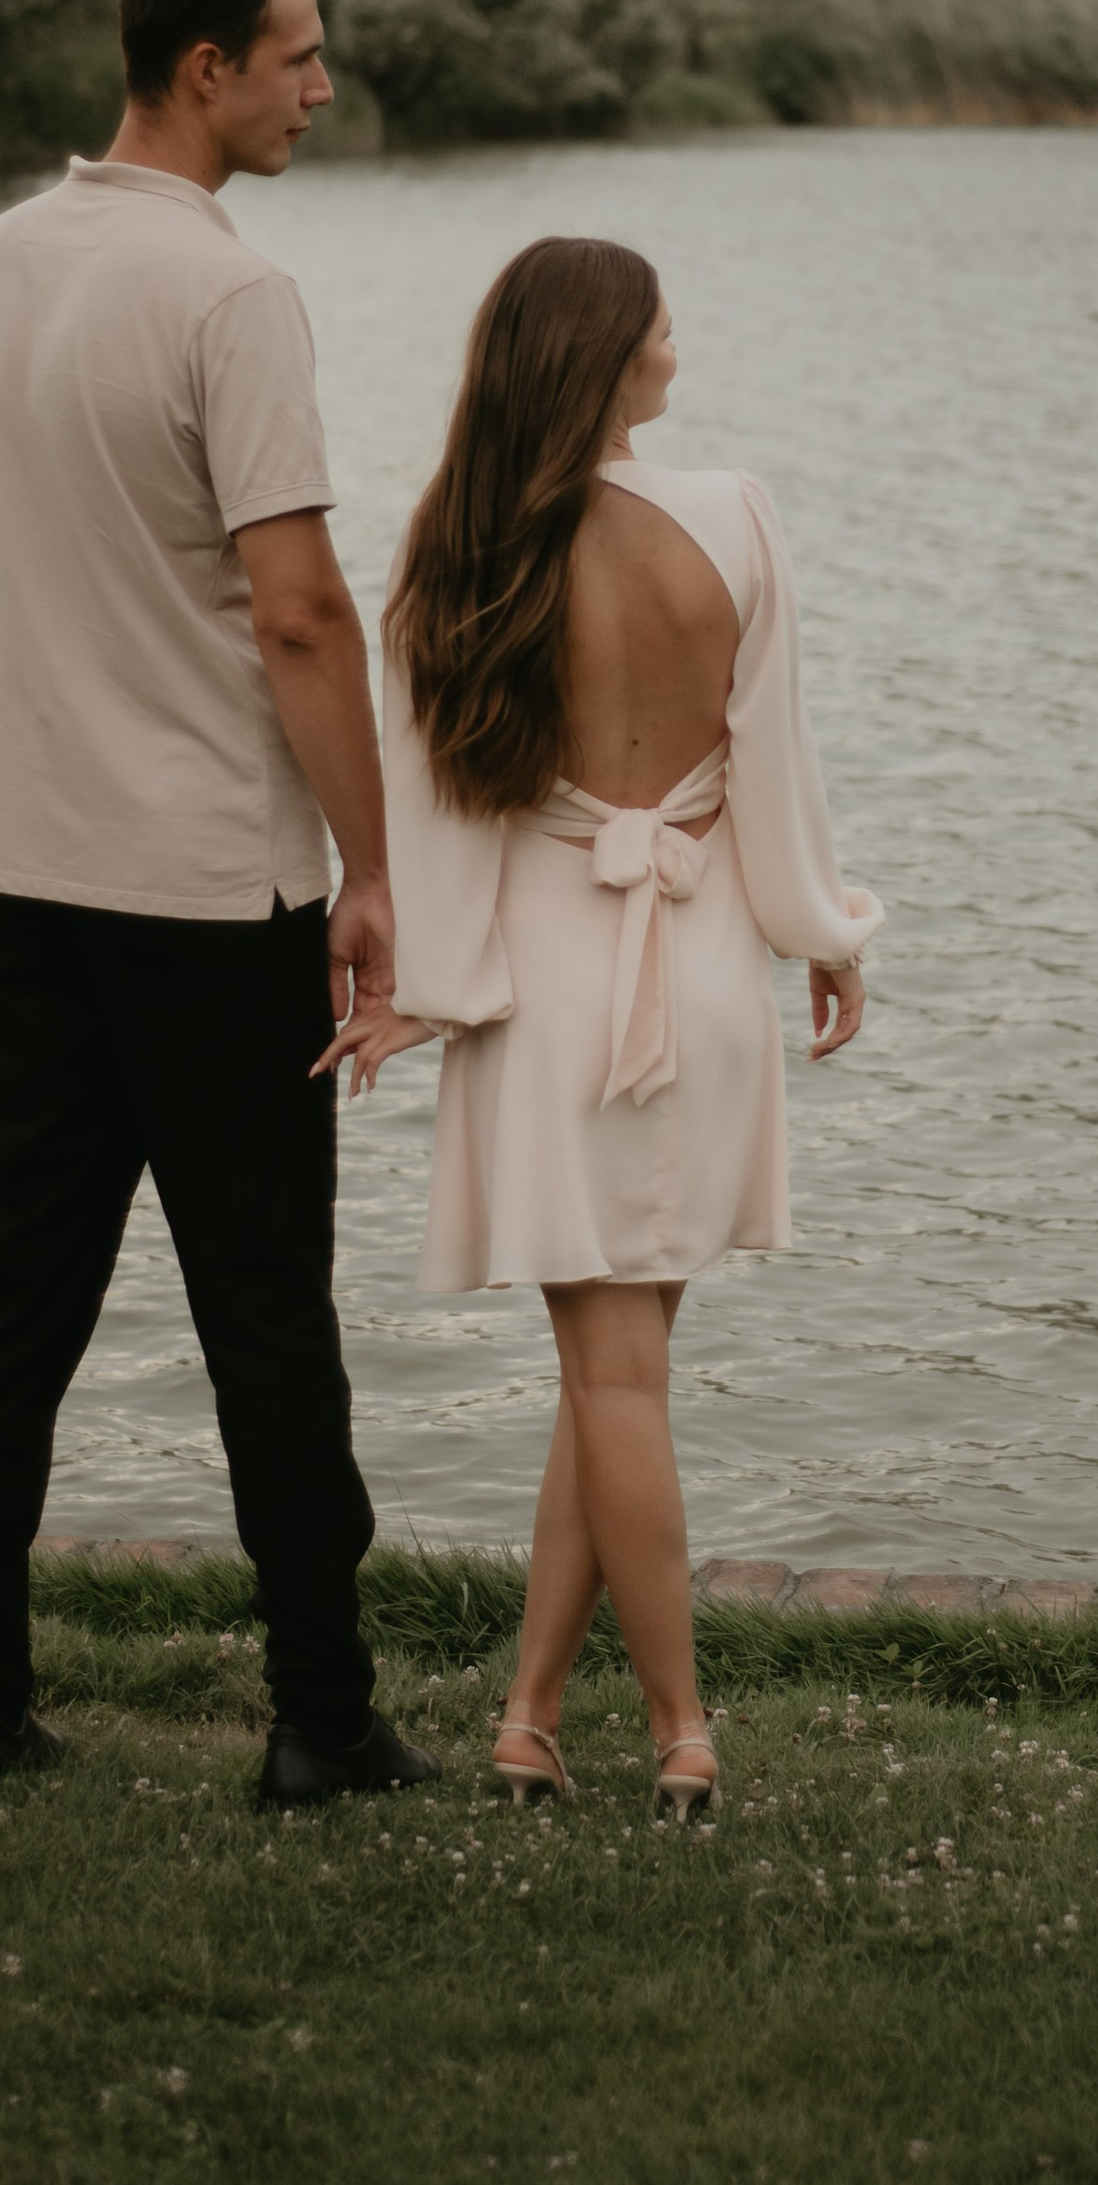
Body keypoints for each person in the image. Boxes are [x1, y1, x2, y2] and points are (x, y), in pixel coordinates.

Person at [0, 0, 437, 1812]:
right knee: (268, 1319)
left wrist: (44, 761)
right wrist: (371, 875)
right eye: (297, 53)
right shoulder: (232, 297)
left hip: (29, 886)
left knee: (9, 1299)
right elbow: (298, 612)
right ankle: (319, 1720)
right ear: (202, 69)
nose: (320, 83)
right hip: (217, 898)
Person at [322, 236, 878, 1821]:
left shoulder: (456, 559)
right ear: (608, 356)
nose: (677, 353)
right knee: (615, 1376)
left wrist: (418, 995)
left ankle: (674, 1733)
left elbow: (438, 827)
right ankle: (538, 1718)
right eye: (661, 329)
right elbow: (776, 767)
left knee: (610, 1372)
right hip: (700, 970)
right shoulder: (735, 516)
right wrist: (822, 934)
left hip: (561, 990)